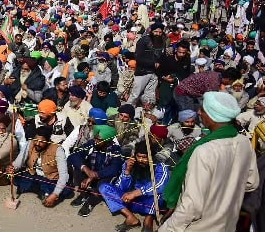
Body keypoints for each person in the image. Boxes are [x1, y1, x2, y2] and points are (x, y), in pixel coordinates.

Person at [160, 91, 259, 231]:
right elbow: (252, 182)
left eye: (203, 110)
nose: (199, 112)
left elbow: (192, 205)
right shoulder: (244, 142)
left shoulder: (204, 150)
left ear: (213, 116)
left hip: (200, 226)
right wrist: (227, 191)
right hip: (228, 223)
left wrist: (167, 229)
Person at [99, 141, 170, 232]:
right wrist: (127, 171)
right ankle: (130, 217)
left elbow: (160, 184)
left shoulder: (160, 166)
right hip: (131, 201)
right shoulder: (129, 163)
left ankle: (148, 220)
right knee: (104, 188)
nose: (141, 160)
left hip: (148, 202)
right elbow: (120, 187)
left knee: (158, 193)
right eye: (138, 156)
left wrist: (136, 193)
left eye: (144, 157)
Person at [8, 126, 73, 207]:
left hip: (50, 179)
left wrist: (55, 194)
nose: (37, 144)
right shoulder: (30, 143)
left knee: (67, 191)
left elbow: (63, 174)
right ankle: (43, 191)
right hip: (33, 175)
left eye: (41, 141)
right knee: (15, 178)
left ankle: (44, 191)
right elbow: (19, 161)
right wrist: (13, 168)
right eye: (36, 140)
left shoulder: (58, 150)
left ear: (48, 141)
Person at [68, 124, 124, 217]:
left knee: (109, 178)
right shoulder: (91, 144)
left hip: (102, 176)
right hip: (90, 171)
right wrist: (86, 170)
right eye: (95, 138)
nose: (95, 141)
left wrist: (95, 175)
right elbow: (74, 155)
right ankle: (84, 194)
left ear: (108, 141)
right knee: (78, 165)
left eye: (99, 139)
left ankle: (91, 201)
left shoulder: (116, 150)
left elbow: (114, 169)